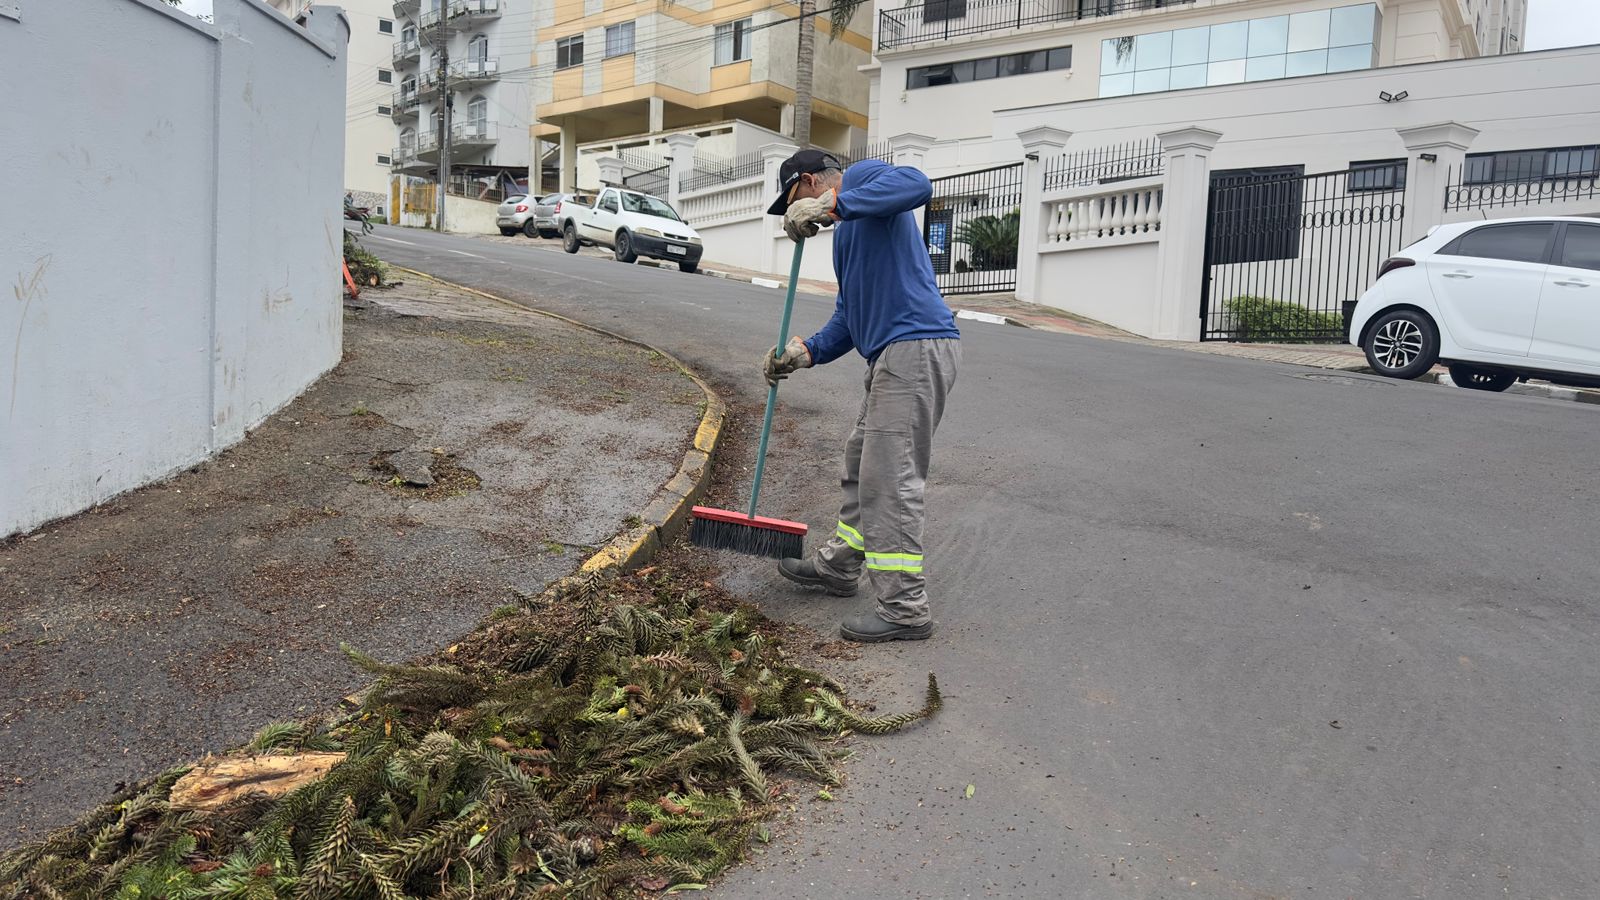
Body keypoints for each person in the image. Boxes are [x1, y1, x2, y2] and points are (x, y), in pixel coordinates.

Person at [762, 150, 960, 643]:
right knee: (860, 463)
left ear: (809, 182)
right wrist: (801, 353)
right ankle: (840, 566)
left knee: (888, 479)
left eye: (793, 203)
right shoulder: (846, 237)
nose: (794, 218)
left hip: (914, 346)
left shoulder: (865, 180)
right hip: (890, 356)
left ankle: (904, 607)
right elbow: (849, 317)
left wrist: (831, 205)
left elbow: (917, 183)